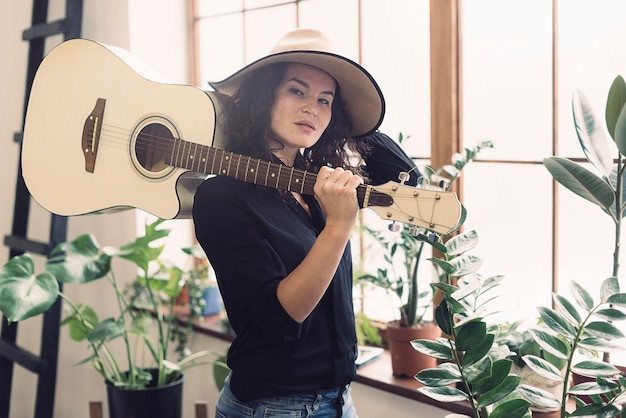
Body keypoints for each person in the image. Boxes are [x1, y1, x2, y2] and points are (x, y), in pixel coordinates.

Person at [192, 28, 418, 418]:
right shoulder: (222, 197)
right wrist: (337, 228)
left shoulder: (318, 183)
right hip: (272, 408)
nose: (312, 108)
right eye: (297, 91)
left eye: (324, 100)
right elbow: (278, 318)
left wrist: (346, 120)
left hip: (339, 400)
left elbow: (408, 181)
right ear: (264, 97)